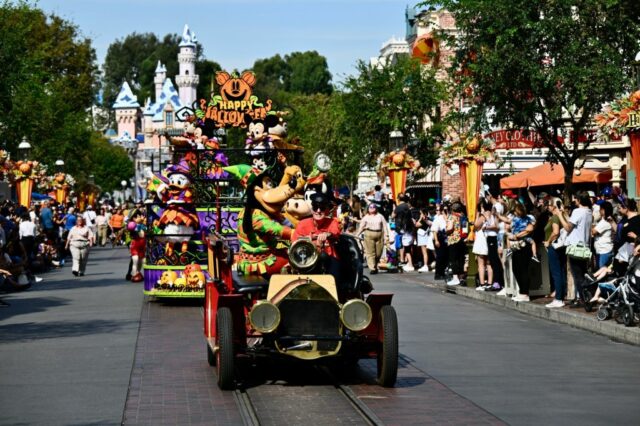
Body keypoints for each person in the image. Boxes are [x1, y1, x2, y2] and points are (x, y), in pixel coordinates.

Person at [292, 192, 342, 285]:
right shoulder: (302, 224)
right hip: (306, 260)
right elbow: (294, 242)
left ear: (327, 210)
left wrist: (327, 234)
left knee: (335, 279)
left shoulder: (333, 222)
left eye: (322, 208)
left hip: (329, 259)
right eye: (315, 207)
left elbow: (335, 233)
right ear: (312, 209)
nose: (318, 211)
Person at [556, 192, 593, 308]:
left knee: (577, 275)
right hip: (585, 247)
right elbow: (574, 223)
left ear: (579, 200)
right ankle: (586, 297)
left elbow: (567, 228)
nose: (574, 200)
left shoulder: (578, 211)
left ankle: (583, 299)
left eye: (575, 198)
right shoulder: (589, 212)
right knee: (583, 273)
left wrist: (559, 215)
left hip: (575, 247)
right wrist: (564, 214)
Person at [506, 202, 536, 301]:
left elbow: (529, 229)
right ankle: (521, 291)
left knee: (523, 269)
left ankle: (525, 293)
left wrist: (517, 235)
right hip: (515, 245)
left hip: (524, 244)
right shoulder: (514, 218)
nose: (515, 212)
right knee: (516, 268)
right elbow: (509, 227)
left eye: (516, 211)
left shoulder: (529, 218)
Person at [543, 198, 569, 308]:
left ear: (554, 206)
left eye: (548, 204)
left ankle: (558, 298)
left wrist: (548, 241)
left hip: (554, 247)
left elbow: (556, 232)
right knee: (561, 272)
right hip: (561, 247)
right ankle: (561, 297)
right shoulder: (562, 216)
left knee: (556, 273)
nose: (547, 206)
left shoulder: (555, 217)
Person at [356, 203, 388, 274]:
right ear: (368, 209)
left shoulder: (380, 216)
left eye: (374, 207)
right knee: (370, 252)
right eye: (371, 207)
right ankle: (372, 268)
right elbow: (361, 227)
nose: (372, 208)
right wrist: (357, 235)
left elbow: (385, 226)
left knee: (378, 253)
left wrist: (387, 236)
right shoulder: (365, 217)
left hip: (379, 234)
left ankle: (375, 265)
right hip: (369, 234)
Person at [473, 201, 494, 290]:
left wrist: (478, 214)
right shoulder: (493, 215)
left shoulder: (483, 215)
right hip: (490, 239)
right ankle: (489, 283)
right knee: (489, 263)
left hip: (482, 241)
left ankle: (482, 284)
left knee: (481, 263)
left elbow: (476, 225)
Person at [445, 202, 467, 285]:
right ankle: (461, 277)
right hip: (462, 240)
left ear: (452, 209)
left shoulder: (452, 217)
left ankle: (455, 278)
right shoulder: (463, 216)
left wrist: (446, 231)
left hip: (453, 240)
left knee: (454, 259)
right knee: (461, 259)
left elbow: (450, 228)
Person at [592, 201, 615, 269]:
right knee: (602, 270)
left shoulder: (606, 221)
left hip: (604, 251)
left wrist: (590, 222)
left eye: (600, 209)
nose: (599, 210)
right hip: (602, 250)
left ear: (604, 210)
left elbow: (593, 232)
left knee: (602, 270)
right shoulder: (603, 220)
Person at [127, 209, 146, 282]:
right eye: (137, 216)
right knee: (135, 260)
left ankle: (138, 272)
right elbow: (130, 229)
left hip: (142, 245)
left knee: (141, 261)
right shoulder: (133, 225)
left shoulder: (143, 225)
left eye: (140, 215)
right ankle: (134, 274)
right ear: (133, 218)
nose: (140, 217)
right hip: (135, 245)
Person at [431, 203, 449, 280]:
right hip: (439, 238)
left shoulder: (449, 218)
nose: (446, 211)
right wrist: (436, 240)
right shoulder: (438, 218)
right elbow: (434, 230)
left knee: (446, 257)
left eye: (447, 209)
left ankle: (443, 272)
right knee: (440, 257)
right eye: (444, 209)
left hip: (447, 239)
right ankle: (438, 274)